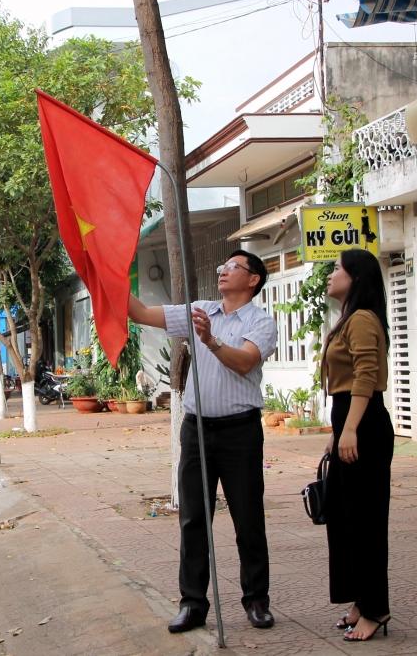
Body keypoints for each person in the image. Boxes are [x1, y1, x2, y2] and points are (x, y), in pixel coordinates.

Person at [129, 249, 278, 634]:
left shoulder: (261, 322)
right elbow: (142, 314)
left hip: (239, 433)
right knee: (194, 519)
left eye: (233, 267)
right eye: (223, 266)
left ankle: (256, 600)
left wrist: (209, 341)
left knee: (247, 518)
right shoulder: (201, 309)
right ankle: (193, 604)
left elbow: (245, 361)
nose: (224, 271)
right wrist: (105, 278)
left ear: (253, 280)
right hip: (195, 431)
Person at [321, 248, 393, 642]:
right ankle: (359, 601)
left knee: (364, 521)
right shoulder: (348, 318)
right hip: (349, 419)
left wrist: (349, 430)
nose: (331, 275)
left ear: (356, 277)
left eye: (337, 269)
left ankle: (376, 609)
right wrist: (338, 430)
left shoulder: (362, 319)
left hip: (363, 424)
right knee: (346, 518)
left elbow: (365, 376)